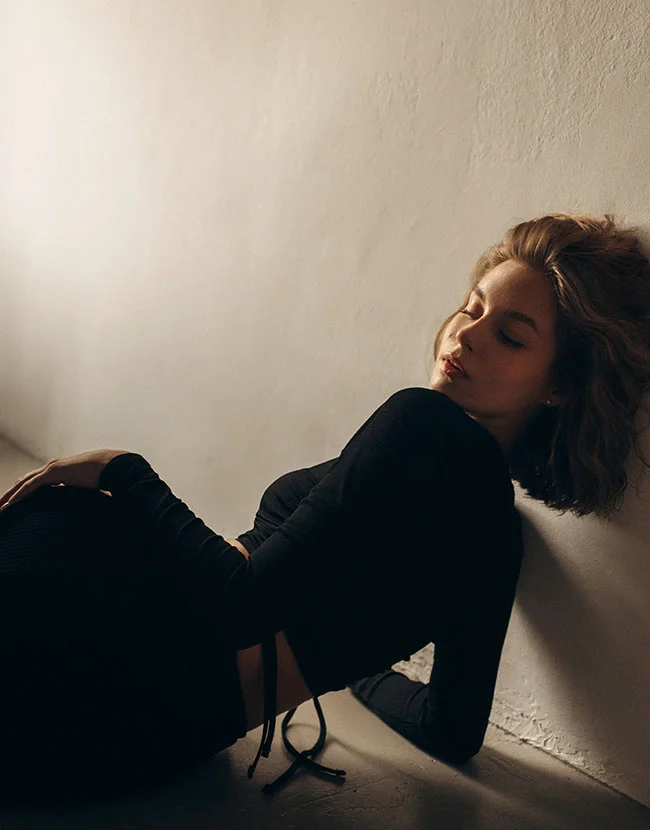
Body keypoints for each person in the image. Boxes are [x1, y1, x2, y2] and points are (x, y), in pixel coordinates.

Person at [1, 213, 649, 805]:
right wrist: (343, 666)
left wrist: (122, 470)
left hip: (112, 662)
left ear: (560, 384)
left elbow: (240, 602)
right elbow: (450, 729)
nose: (465, 334)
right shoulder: (499, 536)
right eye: (471, 308)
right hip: (149, 741)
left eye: (509, 336)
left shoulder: (423, 424)